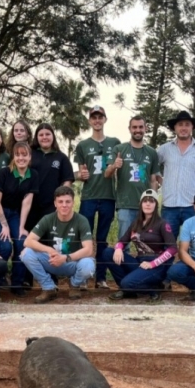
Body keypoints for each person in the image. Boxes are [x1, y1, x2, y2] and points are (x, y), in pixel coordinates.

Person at [21, 186, 95, 303]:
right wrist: (49, 250)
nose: (64, 205)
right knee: (26, 253)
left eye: (68, 201)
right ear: (55, 203)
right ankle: (48, 288)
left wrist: (65, 258)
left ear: (73, 202)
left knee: (88, 264)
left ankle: (74, 285)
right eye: (60, 202)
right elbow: (28, 241)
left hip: (72, 262)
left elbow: (88, 249)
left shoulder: (82, 220)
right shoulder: (48, 219)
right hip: (52, 260)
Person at [74, 105, 121, 289]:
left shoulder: (115, 142)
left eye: (100, 117)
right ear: (89, 121)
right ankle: (83, 276)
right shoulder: (82, 145)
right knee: (84, 238)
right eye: (94, 117)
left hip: (108, 197)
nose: (97, 120)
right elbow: (80, 172)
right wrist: (80, 175)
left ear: (105, 119)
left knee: (101, 238)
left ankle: (100, 278)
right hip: (88, 197)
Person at [103, 189, 177, 302]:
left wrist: (152, 264)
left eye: (152, 201)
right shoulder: (135, 223)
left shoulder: (162, 223)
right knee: (108, 253)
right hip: (139, 262)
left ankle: (152, 290)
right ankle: (128, 290)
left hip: (155, 266)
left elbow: (173, 249)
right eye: (145, 201)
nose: (148, 203)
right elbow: (122, 241)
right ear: (140, 204)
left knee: (127, 282)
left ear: (156, 205)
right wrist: (118, 249)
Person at [157, 110, 195, 239]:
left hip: (193, 206)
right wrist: (161, 182)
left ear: (192, 127)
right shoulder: (164, 149)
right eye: (180, 124)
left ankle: (194, 260)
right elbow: (152, 167)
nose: (183, 127)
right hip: (169, 206)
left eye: (187, 124)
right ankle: (167, 260)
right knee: (167, 243)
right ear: (175, 128)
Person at [0, 142, 39, 297]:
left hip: (16, 214)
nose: (21, 158)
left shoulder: (33, 175)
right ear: (14, 157)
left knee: (22, 243)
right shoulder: (5, 173)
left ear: (29, 157)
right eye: (18, 155)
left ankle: (16, 283)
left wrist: (21, 227)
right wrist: (4, 225)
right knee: (4, 247)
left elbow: (27, 202)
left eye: (24, 155)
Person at [105, 115, 160, 239]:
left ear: (145, 128)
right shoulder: (119, 149)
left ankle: (144, 259)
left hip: (145, 205)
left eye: (141, 127)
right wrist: (114, 166)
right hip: (125, 205)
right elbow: (107, 174)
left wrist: (154, 202)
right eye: (134, 127)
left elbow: (153, 180)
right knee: (124, 242)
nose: (138, 130)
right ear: (129, 129)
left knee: (147, 242)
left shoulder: (151, 152)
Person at [27, 123, 75, 230]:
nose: (44, 137)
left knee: (48, 238)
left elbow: (67, 181)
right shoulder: (29, 154)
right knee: (27, 239)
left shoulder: (61, 157)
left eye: (47, 134)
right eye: (41, 135)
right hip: (30, 205)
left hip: (50, 206)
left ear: (53, 136)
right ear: (36, 137)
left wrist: (60, 203)